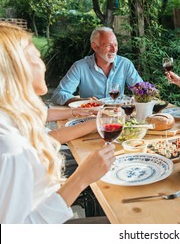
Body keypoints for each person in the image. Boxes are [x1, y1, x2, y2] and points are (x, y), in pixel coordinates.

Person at [0, 22, 115, 223]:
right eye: (36, 56)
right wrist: (81, 178)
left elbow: (47, 137)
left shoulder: (11, 117)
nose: (43, 65)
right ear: (16, 68)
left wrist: (93, 119)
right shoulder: (10, 148)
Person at [51, 26, 143, 106]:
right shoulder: (80, 67)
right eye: (109, 45)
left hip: (118, 115)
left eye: (115, 45)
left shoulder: (125, 64)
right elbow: (58, 94)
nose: (114, 50)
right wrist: (81, 101)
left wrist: (139, 97)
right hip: (90, 116)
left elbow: (142, 90)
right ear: (95, 47)